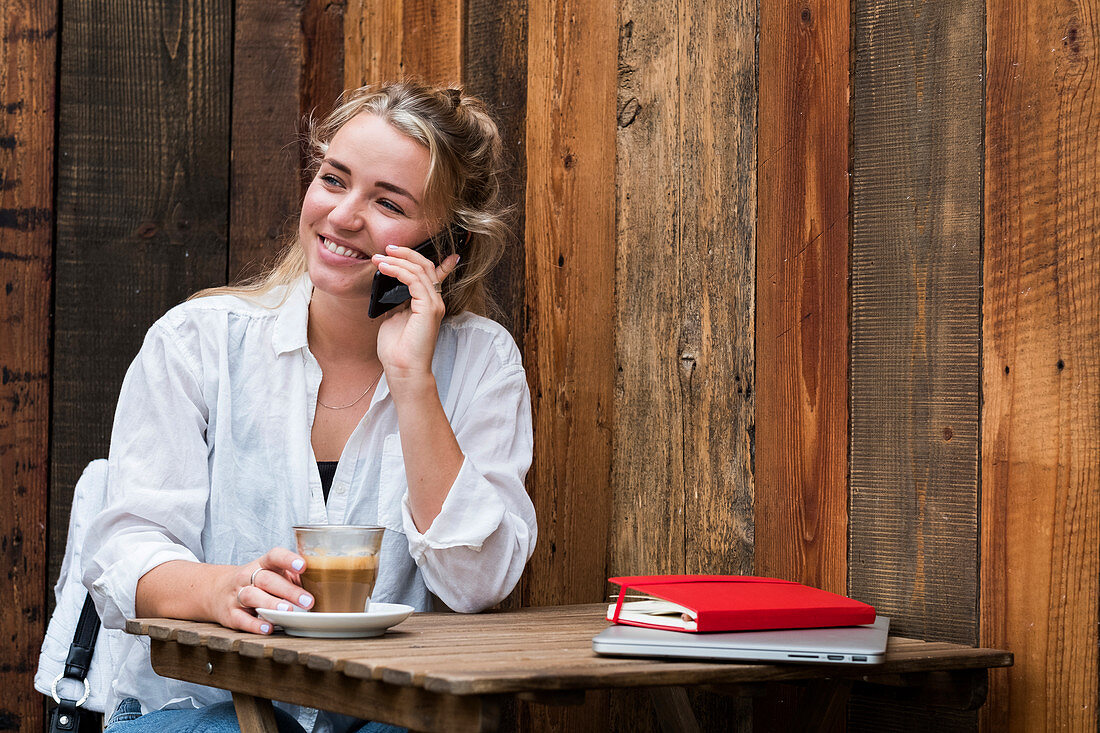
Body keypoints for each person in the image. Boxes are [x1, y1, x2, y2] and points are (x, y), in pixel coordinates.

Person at [82, 81, 537, 733]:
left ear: (446, 245)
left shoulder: (480, 364)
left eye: (387, 201)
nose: (344, 215)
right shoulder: (197, 343)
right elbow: (123, 551)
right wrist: (219, 589)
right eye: (334, 179)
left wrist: (412, 382)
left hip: (383, 718)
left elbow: (476, 583)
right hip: (202, 712)